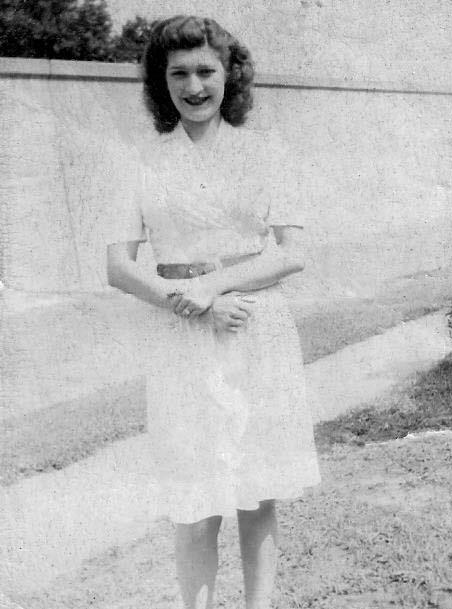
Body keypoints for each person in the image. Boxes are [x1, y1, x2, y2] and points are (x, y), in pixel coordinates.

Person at [106, 15, 321, 609]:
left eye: (206, 71)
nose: (194, 86)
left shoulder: (265, 153)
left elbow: (292, 253)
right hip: (182, 338)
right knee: (194, 504)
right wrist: (194, 305)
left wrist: (214, 288)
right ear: (161, 81)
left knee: (258, 493)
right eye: (178, 73)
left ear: (231, 76)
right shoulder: (140, 161)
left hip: (255, 327)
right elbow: (119, 267)